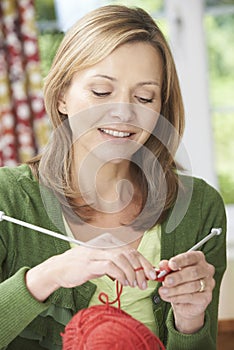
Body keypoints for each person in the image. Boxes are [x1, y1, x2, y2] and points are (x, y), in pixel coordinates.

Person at [0, 5, 226, 350]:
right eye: (102, 92)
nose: (124, 112)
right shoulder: (7, 200)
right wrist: (47, 277)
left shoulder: (200, 208)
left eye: (144, 97)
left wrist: (191, 320)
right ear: (62, 96)